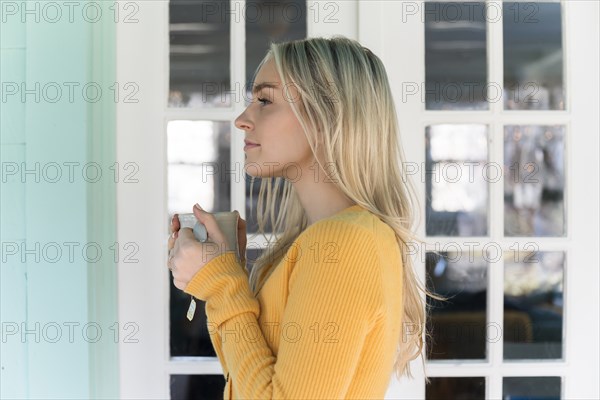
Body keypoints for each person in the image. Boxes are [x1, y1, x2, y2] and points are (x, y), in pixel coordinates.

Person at [167, 35, 427, 399]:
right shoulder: (329, 239)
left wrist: (223, 285)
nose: (242, 119)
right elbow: (245, 384)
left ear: (327, 115)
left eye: (265, 100)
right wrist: (224, 274)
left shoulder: (344, 243)